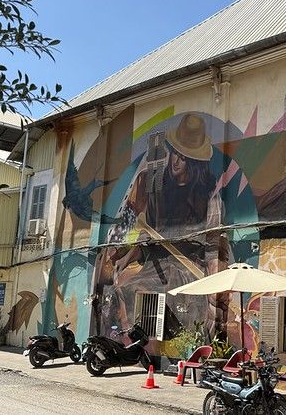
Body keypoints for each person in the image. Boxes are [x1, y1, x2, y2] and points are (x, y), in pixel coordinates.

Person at [93, 113, 231, 337]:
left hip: (188, 267)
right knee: (126, 288)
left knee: (184, 303)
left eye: (184, 157)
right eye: (174, 152)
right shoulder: (149, 181)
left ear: (195, 162)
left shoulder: (208, 194)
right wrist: (114, 253)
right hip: (154, 263)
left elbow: (215, 245)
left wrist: (215, 281)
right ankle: (129, 339)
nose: (175, 161)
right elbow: (127, 224)